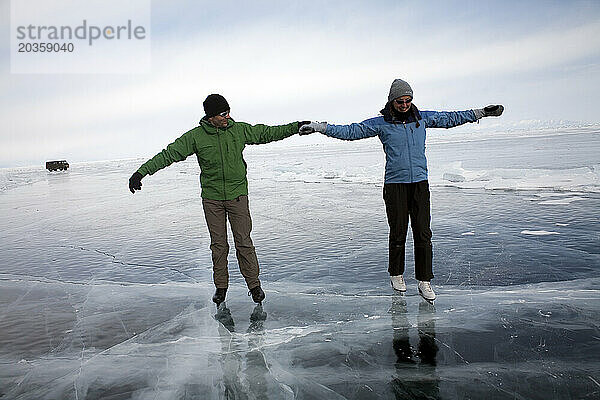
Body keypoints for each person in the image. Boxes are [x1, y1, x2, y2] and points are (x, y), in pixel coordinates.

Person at [300, 79, 503, 301]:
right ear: (392, 101)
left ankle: (424, 281)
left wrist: (481, 112)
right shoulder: (381, 123)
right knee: (398, 233)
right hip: (395, 185)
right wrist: (320, 127)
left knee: (423, 234)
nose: (405, 105)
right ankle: (396, 274)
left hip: (419, 184)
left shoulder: (421, 118)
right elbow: (350, 131)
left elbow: (450, 118)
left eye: (408, 100)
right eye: (400, 101)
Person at [129, 94, 310, 306]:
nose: (228, 116)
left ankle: (254, 285)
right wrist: (141, 173)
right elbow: (169, 154)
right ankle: (221, 287)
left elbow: (268, 133)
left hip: (237, 195)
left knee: (243, 241)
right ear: (211, 116)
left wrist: (295, 127)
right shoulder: (196, 137)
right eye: (223, 114)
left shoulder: (239, 130)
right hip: (212, 199)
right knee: (218, 244)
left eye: (228, 112)